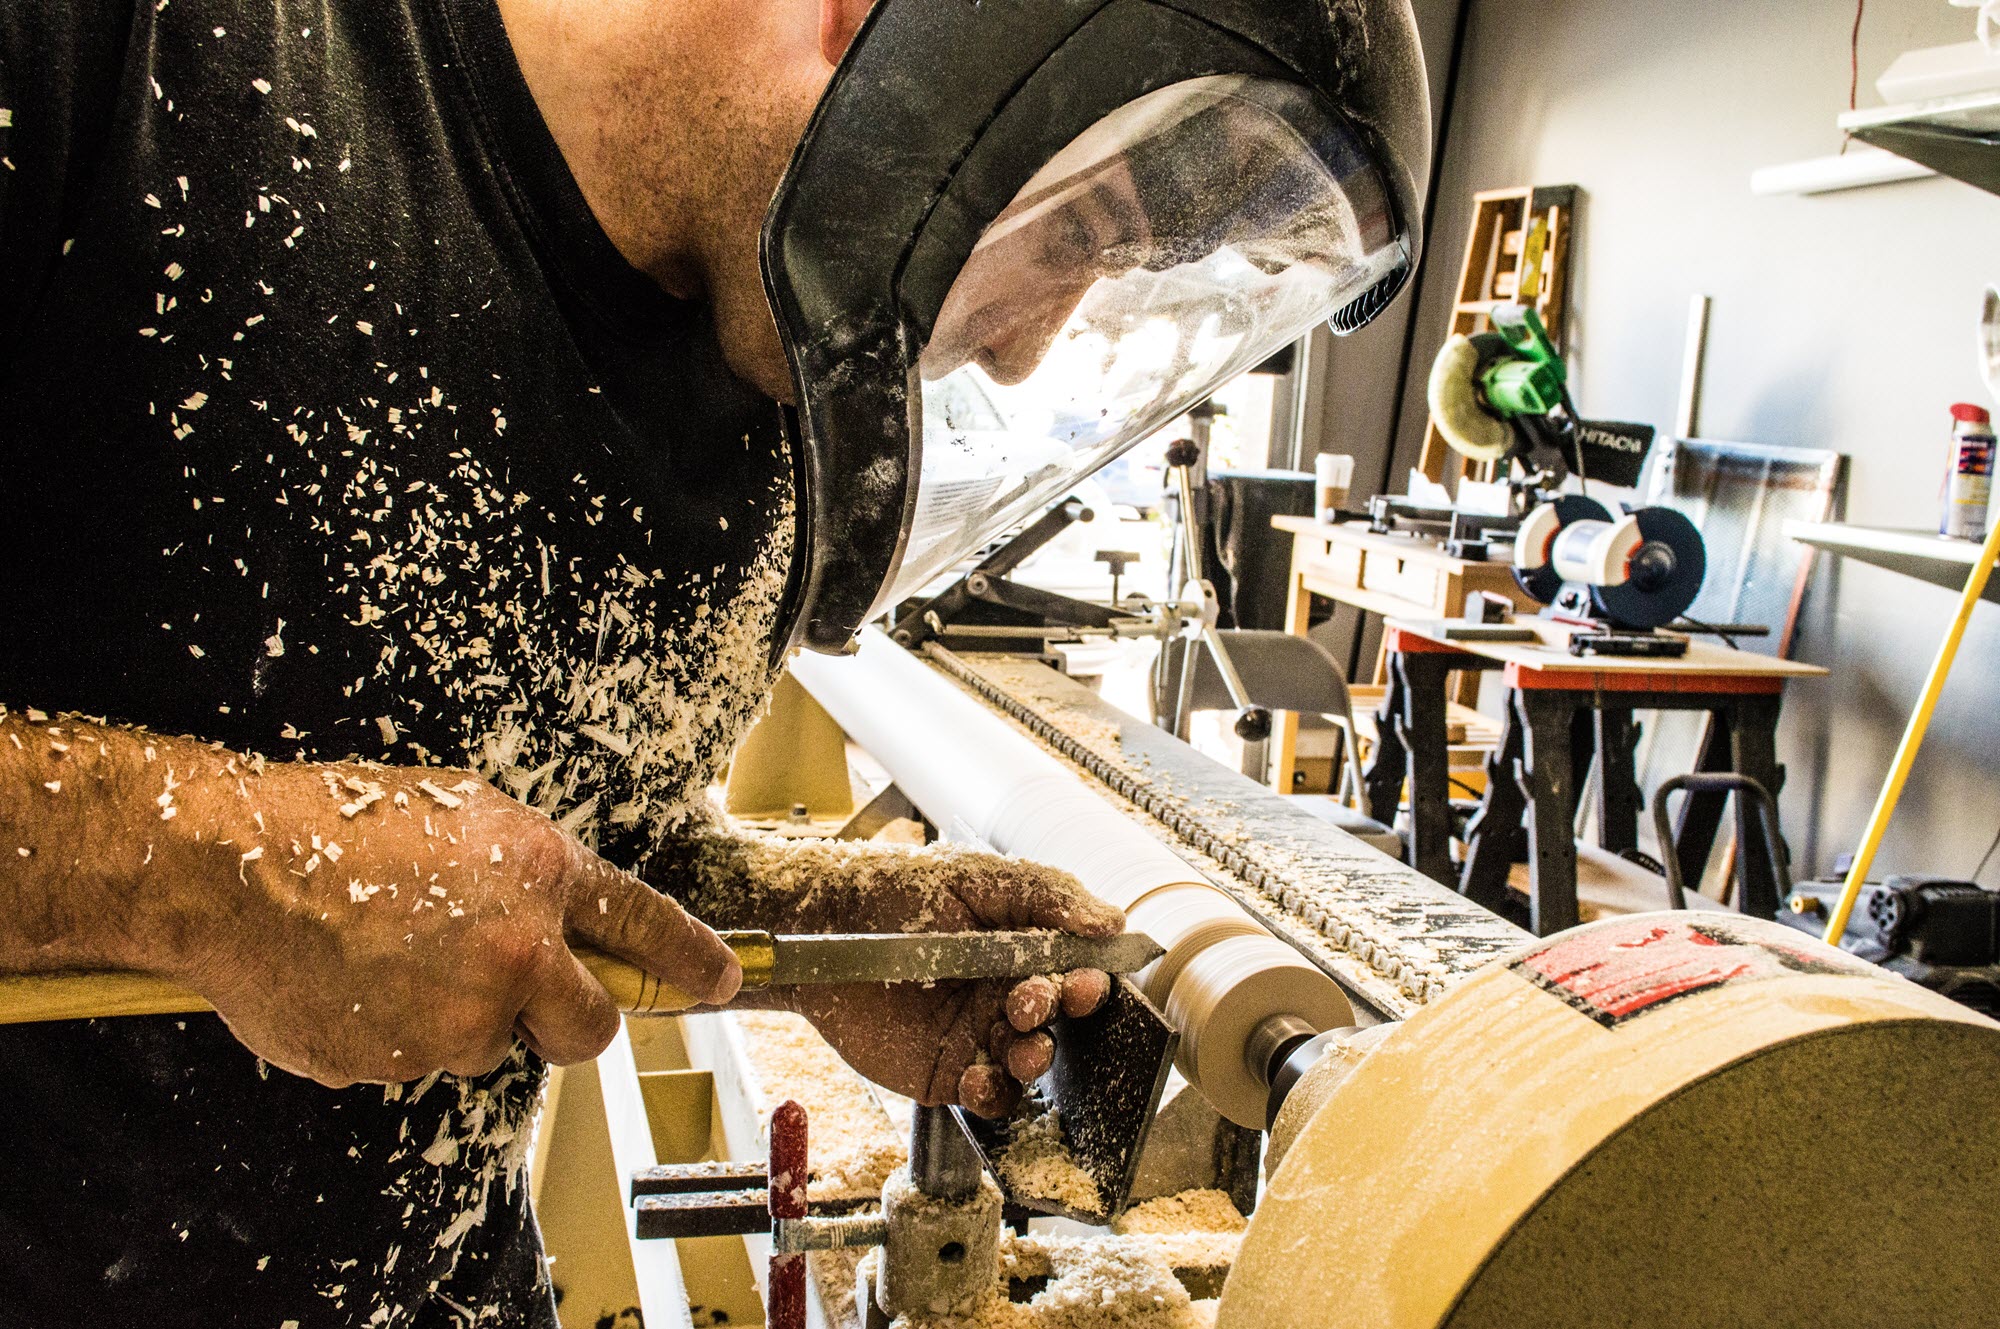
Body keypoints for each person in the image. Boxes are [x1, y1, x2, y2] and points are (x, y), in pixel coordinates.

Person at [0, 0, 1124, 1321]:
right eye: (1061, 232)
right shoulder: (125, 53)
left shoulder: (772, 375)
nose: (1021, 341)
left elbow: (550, 817)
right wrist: (231, 877)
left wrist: (799, 929)